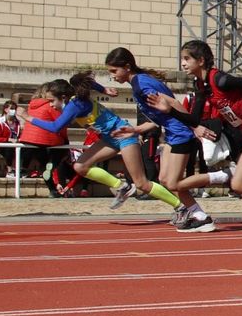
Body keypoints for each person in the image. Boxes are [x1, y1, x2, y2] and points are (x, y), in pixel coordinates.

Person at [145, 39, 242, 227]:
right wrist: (169, 111)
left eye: (187, 58)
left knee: (239, 185)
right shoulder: (202, 86)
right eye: (182, 59)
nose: (183, 63)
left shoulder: (220, 79)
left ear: (201, 60)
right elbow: (194, 120)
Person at [25, 74, 186, 220]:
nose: (51, 106)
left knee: (142, 184)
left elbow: (55, 127)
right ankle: (121, 186)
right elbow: (87, 82)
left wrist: (27, 117)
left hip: (124, 135)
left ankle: (181, 206)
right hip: (110, 138)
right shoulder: (76, 98)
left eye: (52, 101)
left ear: (63, 97)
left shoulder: (74, 105)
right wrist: (104, 90)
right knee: (80, 166)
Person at [104, 47, 215, 233]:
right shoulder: (139, 83)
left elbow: (173, 103)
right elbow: (157, 118)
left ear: (127, 67)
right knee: (164, 179)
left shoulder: (142, 85)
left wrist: (194, 126)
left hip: (181, 133)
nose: (112, 76)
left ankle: (205, 210)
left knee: (172, 182)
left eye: (114, 71)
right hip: (172, 133)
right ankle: (196, 214)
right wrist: (135, 129)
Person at [19, 83, 70, 184]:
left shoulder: (32, 104)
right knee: (60, 154)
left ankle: (52, 190)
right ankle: (53, 167)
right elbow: (60, 125)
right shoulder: (51, 105)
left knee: (44, 165)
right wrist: (65, 139)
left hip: (28, 139)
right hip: (45, 139)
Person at [0, 99, 24, 175]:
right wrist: (8, 139)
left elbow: (18, 134)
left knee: (28, 149)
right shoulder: (0, 122)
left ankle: (23, 169)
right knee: (9, 147)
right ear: (6, 110)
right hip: (3, 145)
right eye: (11, 108)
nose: (14, 110)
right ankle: (9, 169)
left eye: (15, 109)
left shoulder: (17, 122)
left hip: (15, 144)